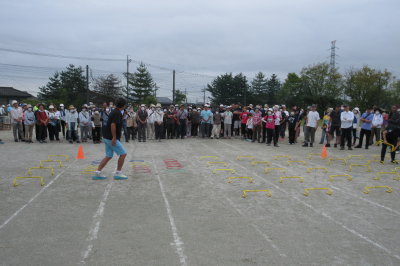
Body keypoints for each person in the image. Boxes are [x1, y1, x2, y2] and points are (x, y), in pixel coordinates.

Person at [93, 97, 128, 180]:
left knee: (108, 156)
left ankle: (97, 172)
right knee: (123, 154)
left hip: (107, 137)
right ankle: (118, 172)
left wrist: (124, 115)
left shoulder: (115, 112)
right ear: (123, 105)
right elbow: (113, 125)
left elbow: (117, 122)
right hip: (111, 138)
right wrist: (114, 138)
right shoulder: (117, 113)